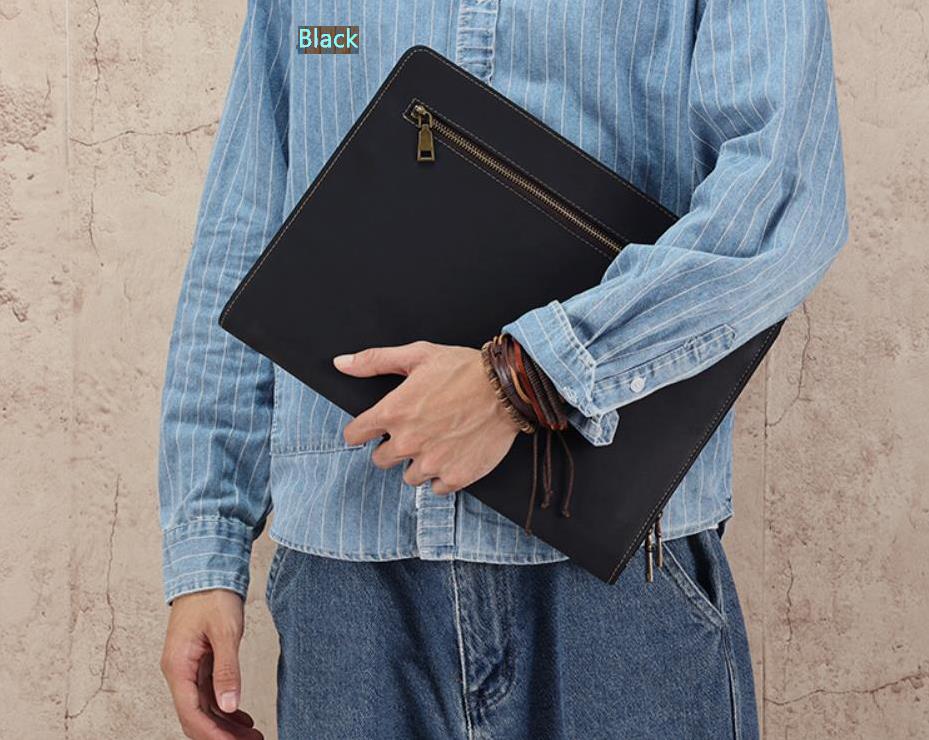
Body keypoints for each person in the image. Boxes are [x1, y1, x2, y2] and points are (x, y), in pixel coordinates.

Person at [158, 2, 849, 738]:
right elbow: (247, 231)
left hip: (614, 577)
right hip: (348, 583)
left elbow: (783, 196)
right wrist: (207, 547)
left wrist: (523, 379)